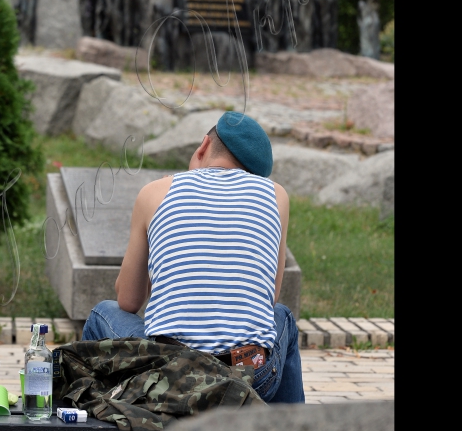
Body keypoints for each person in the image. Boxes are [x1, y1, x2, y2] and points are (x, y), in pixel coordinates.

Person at [82, 112, 306, 404]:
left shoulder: (155, 192)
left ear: (203, 147)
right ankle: (293, 425)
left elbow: (128, 301)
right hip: (249, 373)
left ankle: (107, 413)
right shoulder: (276, 196)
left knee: (104, 311)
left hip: (171, 375)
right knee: (282, 317)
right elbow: (269, 299)